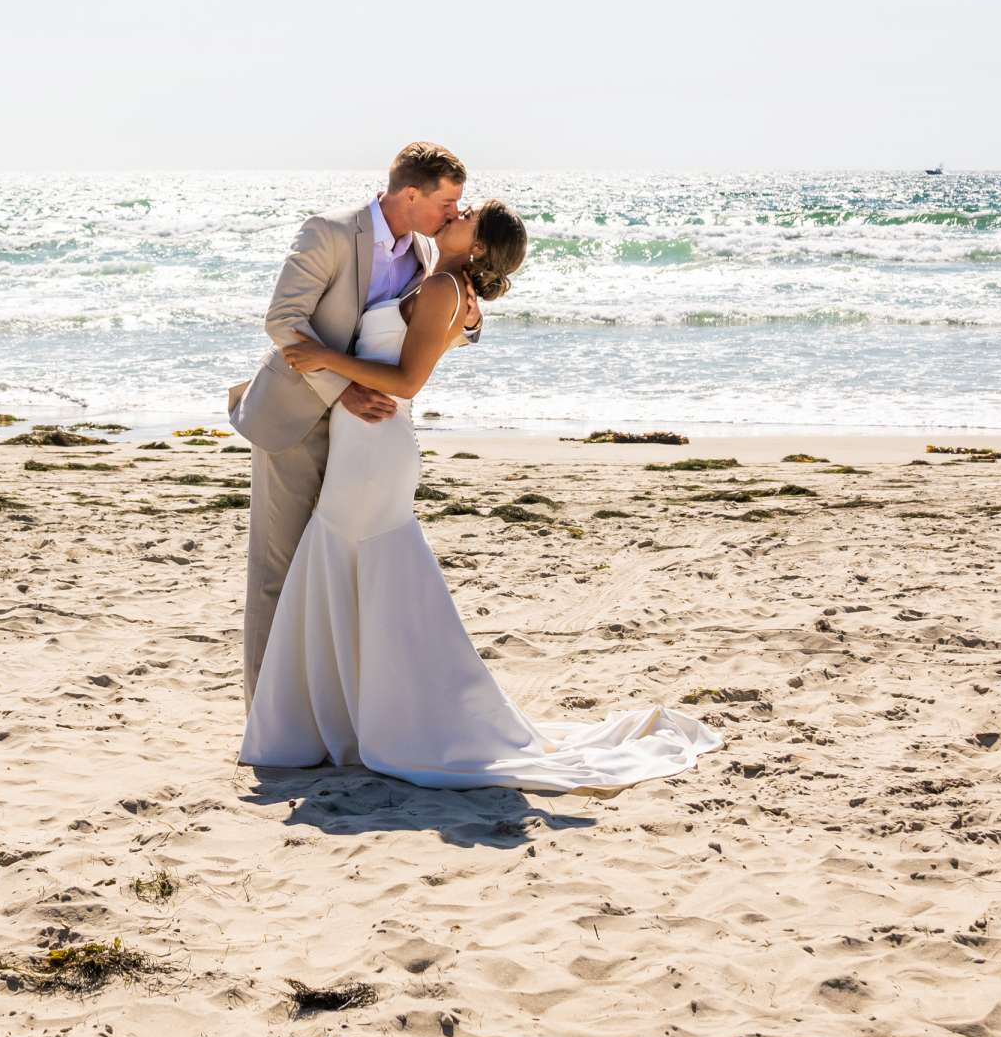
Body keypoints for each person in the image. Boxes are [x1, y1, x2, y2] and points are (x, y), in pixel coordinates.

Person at [238, 195, 724, 792]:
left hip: (374, 446)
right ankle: (347, 718)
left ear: (481, 246)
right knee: (354, 574)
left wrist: (322, 358)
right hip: (368, 445)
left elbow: (409, 380)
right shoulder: (438, 278)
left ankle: (352, 722)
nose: (459, 211)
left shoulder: (444, 286)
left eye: (470, 214)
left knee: (350, 566)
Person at [227, 142, 467, 705]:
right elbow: (283, 322)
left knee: (339, 570)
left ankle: (330, 708)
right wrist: (345, 390)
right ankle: (266, 714)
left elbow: (430, 328)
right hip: (296, 419)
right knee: (279, 569)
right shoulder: (330, 232)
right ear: (412, 193)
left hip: (365, 440)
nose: (454, 213)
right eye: (448, 201)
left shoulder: (427, 259)